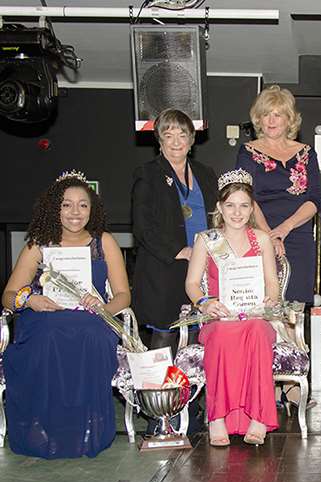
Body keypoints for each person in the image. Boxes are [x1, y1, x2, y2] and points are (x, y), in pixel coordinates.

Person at [1, 171, 130, 459]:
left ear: (91, 209)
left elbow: (123, 295)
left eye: (83, 205)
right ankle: (46, 430)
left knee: (92, 334)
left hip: (92, 319)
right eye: (67, 204)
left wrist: (102, 310)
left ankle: (86, 430)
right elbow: (8, 295)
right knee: (47, 336)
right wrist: (31, 299)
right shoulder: (39, 244)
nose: (75, 212)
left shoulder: (104, 241)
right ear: (54, 208)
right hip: (45, 318)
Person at [184, 169, 280, 446]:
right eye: (230, 205)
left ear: (252, 209)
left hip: (253, 315)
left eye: (244, 205)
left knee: (257, 332)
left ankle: (258, 417)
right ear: (219, 207)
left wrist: (269, 300)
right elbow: (192, 283)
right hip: (220, 316)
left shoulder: (261, 239)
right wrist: (205, 302)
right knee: (222, 336)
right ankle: (218, 417)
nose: (237, 212)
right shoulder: (206, 240)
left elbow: (272, 282)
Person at [132, 108, 218, 354]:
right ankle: (160, 392)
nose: (176, 142)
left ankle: (192, 391)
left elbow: (220, 216)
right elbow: (142, 226)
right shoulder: (147, 174)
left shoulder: (206, 173)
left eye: (182, 135)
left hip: (204, 266)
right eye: (168, 135)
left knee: (198, 337)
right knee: (165, 338)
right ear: (160, 141)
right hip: (166, 267)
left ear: (191, 140)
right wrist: (180, 251)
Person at [236, 85, 321, 304]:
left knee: (295, 310)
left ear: (289, 119)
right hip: (260, 234)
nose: (271, 121)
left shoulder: (307, 152)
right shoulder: (247, 152)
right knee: (266, 306)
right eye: (266, 114)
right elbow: (246, 197)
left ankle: (295, 341)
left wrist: (285, 229)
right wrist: (270, 236)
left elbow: (314, 200)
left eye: (278, 115)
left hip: (298, 235)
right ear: (258, 119)